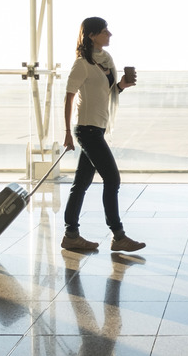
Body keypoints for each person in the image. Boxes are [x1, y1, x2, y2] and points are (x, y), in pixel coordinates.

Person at [61, 16, 145, 252]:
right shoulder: (82, 64)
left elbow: (106, 94)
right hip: (86, 130)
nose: (110, 34)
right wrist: (67, 133)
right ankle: (118, 236)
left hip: (97, 128)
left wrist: (120, 86)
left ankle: (71, 235)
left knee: (81, 184)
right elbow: (68, 97)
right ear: (91, 35)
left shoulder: (106, 61)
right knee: (112, 179)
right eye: (105, 31)